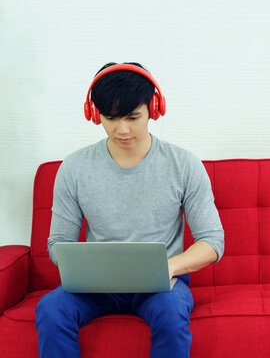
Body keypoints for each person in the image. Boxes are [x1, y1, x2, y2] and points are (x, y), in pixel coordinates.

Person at [34, 62, 225, 358]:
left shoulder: (184, 164)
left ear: (154, 108)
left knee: (171, 315)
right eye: (111, 118)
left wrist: (169, 267)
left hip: (162, 284)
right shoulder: (73, 168)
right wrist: (83, 265)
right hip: (94, 287)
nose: (122, 130)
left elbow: (212, 242)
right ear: (94, 113)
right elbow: (57, 243)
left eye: (133, 117)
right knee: (50, 309)